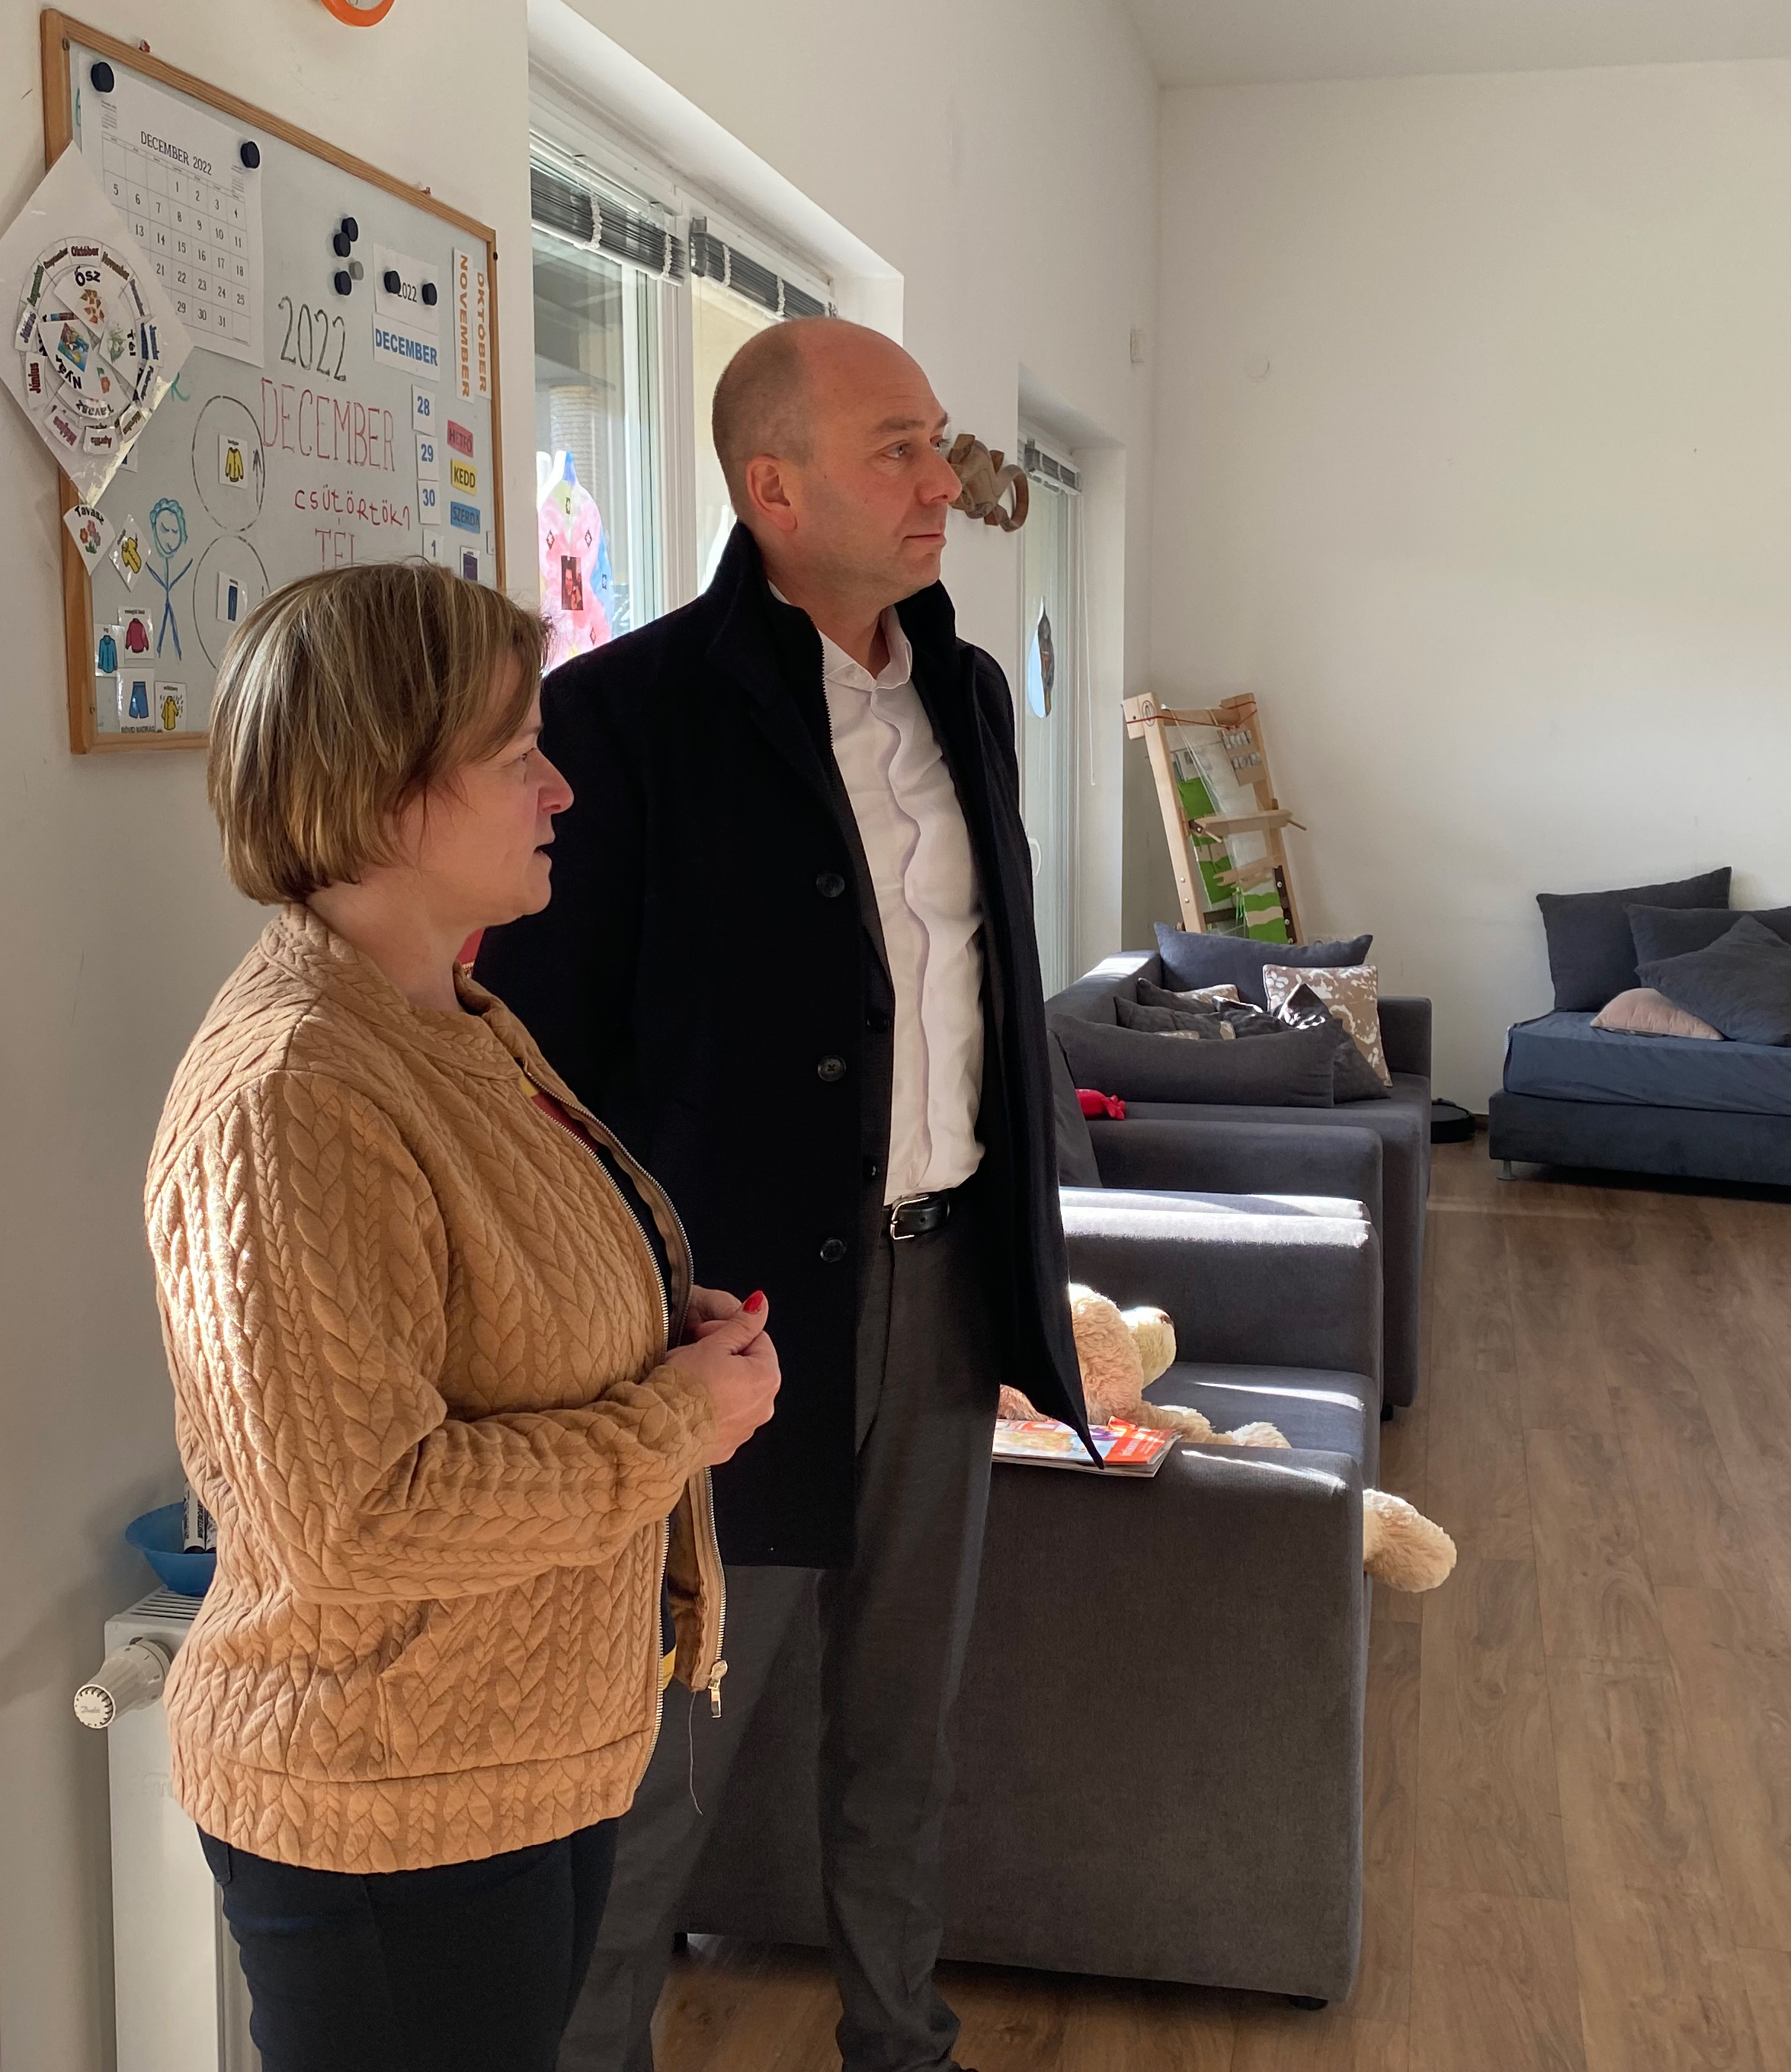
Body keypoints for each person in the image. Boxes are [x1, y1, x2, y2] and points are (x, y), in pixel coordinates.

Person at [474, 319, 1088, 2072]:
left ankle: (903, 2043)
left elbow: (980, 994)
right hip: (724, 1322)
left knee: (902, 1731)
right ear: (773, 488)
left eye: (935, 441)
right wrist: (629, 1311)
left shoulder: (968, 698)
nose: (940, 480)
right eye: (897, 449)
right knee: (664, 1756)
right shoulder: (621, 719)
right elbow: (545, 1069)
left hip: (944, 1284)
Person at [146, 561, 783, 2072]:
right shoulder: (294, 1093)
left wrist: (648, 1320)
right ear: (381, 794)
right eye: (516, 757)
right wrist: (673, 1420)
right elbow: (362, 1515)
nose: (558, 790)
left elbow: (486, 1300)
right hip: (391, 1804)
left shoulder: (448, 1020)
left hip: (510, 1769)